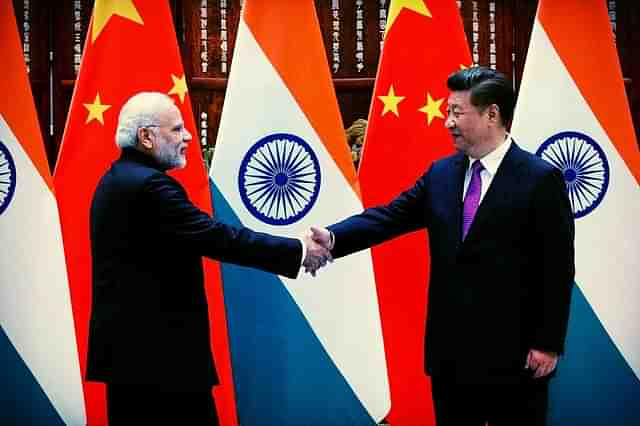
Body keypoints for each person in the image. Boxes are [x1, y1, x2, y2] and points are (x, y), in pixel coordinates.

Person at [309, 67, 575, 426]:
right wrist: (334, 237)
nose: (447, 121)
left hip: (515, 356)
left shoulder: (539, 178)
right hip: (450, 355)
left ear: (492, 114)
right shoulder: (441, 174)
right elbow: (389, 217)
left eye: (457, 112)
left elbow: (557, 268)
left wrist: (548, 343)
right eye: (447, 111)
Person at [88, 92, 329, 425]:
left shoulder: (115, 179)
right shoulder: (151, 188)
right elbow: (220, 239)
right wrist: (299, 250)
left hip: (132, 359)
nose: (188, 137)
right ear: (146, 136)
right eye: (176, 129)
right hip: (161, 363)